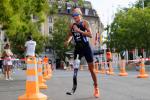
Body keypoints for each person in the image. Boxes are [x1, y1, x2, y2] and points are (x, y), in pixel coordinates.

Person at [64, 8, 100, 98]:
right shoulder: (72, 25)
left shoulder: (85, 23)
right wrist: (68, 41)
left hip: (86, 48)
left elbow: (90, 34)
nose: (75, 17)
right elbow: (70, 35)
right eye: (73, 15)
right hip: (78, 49)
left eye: (76, 15)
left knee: (91, 70)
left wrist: (79, 31)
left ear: (80, 15)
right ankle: (74, 87)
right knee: (75, 68)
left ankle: (96, 88)